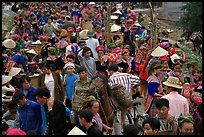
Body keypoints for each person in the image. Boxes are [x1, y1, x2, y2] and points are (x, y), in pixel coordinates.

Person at [108, 64, 140, 135]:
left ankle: (119, 133)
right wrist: (133, 87)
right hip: (127, 100)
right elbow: (138, 80)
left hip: (117, 103)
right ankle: (124, 129)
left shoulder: (111, 78)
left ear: (111, 71)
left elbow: (109, 90)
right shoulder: (126, 75)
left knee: (117, 119)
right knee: (124, 115)